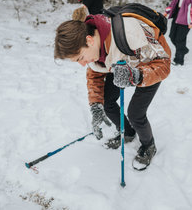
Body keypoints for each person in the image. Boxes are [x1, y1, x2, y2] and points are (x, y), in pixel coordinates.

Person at [54, 10, 171, 170]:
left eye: (80, 58)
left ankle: (148, 145)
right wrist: (96, 105)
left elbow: (163, 65)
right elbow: (94, 73)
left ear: (89, 40)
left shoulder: (130, 33)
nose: (82, 64)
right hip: (118, 61)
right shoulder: (93, 47)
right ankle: (128, 132)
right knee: (106, 101)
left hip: (148, 65)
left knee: (136, 113)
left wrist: (136, 76)